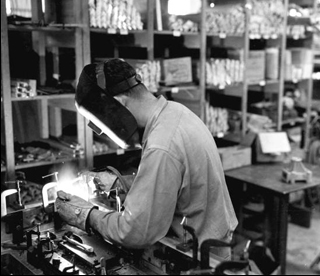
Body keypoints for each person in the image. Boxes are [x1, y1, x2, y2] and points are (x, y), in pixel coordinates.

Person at [56, 59, 237, 257]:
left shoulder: (162, 144)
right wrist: (119, 182)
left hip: (196, 260)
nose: (105, 134)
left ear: (120, 103)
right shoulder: (175, 113)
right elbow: (178, 182)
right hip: (211, 243)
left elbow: (134, 233)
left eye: (102, 126)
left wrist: (84, 214)